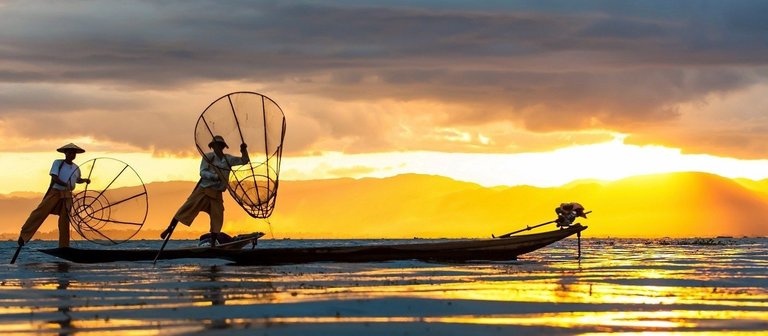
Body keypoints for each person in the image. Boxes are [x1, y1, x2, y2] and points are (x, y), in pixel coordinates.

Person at [162, 135, 249, 247]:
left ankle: (213, 243)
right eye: (215, 146)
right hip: (203, 190)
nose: (218, 148)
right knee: (185, 209)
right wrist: (214, 176)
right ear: (212, 147)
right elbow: (202, 172)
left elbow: (244, 160)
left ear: (223, 147)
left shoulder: (228, 159)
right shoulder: (208, 157)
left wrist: (243, 150)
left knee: (217, 218)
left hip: (217, 193)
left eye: (220, 146)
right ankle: (169, 229)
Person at [17, 143, 91, 248]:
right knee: (40, 212)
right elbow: (54, 178)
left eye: (74, 153)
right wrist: (64, 184)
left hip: (67, 195)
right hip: (55, 192)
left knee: (65, 220)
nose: (72, 155)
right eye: (70, 152)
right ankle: (24, 236)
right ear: (65, 153)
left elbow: (77, 180)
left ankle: (64, 246)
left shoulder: (76, 168)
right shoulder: (58, 163)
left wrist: (84, 180)